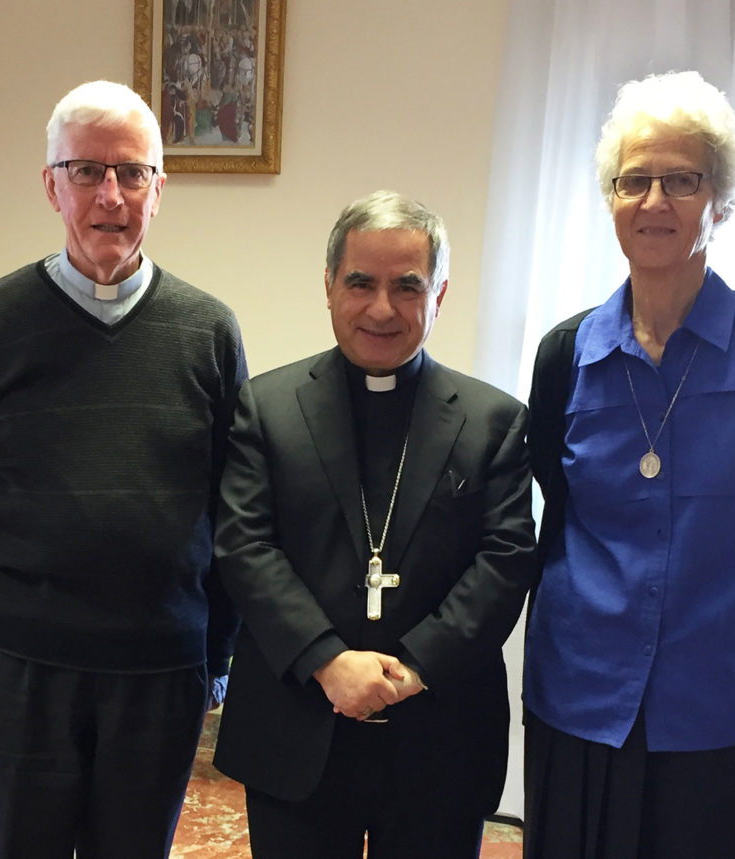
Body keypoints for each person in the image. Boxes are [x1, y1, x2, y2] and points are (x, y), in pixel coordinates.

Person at [0, 80, 247, 859]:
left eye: (132, 173)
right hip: (17, 672)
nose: (110, 194)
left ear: (159, 189)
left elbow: (234, 510)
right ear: (50, 184)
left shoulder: (208, 332)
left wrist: (218, 657)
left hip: (159, 671)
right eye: (86, 170)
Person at [522, 71, 735, 858]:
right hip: (581, 682)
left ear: (718, 199)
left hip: (716, 684)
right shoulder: (566, 351)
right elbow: (558, 496)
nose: (655, 203)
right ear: (611, 199)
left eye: (682, 180)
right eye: (635, 181)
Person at [212, 190, 535, 858]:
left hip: (439, 734)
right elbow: (244, 546)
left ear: (438, 295)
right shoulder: (267, 407)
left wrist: (411, 668)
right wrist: (328, 661)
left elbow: (504, 561)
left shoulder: (492, 421)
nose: (382, 308)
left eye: (407, 286)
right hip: (297, 725)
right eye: (361, 282)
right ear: (330, 286)